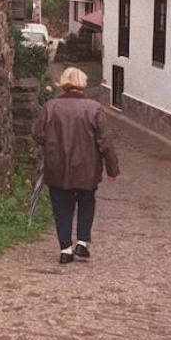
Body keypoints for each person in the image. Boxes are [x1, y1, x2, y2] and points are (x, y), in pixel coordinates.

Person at [34, 67, 120, 264]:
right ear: (83, 83)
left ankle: (65, 249)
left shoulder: (51, 106)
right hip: (87, 167)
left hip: (57, 166)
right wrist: (112, 168)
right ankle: (82, 241)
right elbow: (105, 141)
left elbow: (38, 133)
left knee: (61, 205)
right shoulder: (94, 108)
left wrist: (51, 144)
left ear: (63, 83)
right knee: (86, 201)